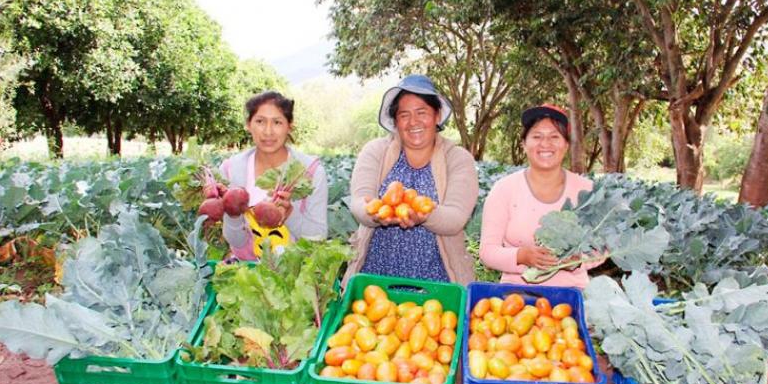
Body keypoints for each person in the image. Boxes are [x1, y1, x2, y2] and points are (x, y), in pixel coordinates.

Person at [344, 74, 478, 285]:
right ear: (396, 121)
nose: (413, 121)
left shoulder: (458, 158)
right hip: (375, 280)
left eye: (421, 112)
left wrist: (424, 215)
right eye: (404, 115)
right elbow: (360, 201)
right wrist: (376, 213)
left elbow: (456, 217)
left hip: (437, 283)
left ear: (437, 115)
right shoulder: (375, 151)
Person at [479, 103, 596, 288]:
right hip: (515, 296)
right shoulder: (504, 189)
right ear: (524, 144)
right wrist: (521, 256)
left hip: (574, 293)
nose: (545, 144)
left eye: (554, 137)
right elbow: (487, 251)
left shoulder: (587, 191)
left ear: (566, 145)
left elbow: (603, 246)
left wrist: (577, 260)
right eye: (537, 136)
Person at [220, 91, 328, 260]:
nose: (268, 131)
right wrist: (233, 214)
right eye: (260, 121)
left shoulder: (310, 171)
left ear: (289, 125)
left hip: (295, 271)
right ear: (249, 125)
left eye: (277, 122)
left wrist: (290, 214)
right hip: (247, 271)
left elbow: (317, 237)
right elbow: (236, 241)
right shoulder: (231, 170)